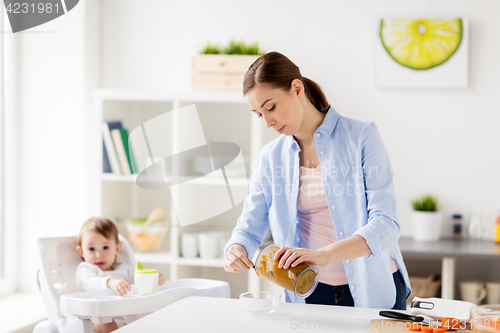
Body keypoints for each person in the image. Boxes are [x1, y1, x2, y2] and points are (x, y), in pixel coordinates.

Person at [223, 51, 411, 309]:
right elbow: (249, 226)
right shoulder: (271, 157)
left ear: (297, 88)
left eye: (271, 107)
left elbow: (386, 223)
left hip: (370, 289)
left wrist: (324, 255)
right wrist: (236, 247)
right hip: (307, 292)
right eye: (259, 114)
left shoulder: (362, 138)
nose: (267, 122)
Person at [76, 217, 165, 333]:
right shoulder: (85, 270)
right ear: (82, 252)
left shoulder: (123, 269)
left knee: (153, 316)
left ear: (117, 248)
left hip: (126, 318)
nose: (99, 255)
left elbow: (137, 284)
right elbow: (90, 282)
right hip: (95, 319)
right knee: (104, 323)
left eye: (105, 248)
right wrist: (110, 282)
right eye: (91, 249)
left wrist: (151, 278)